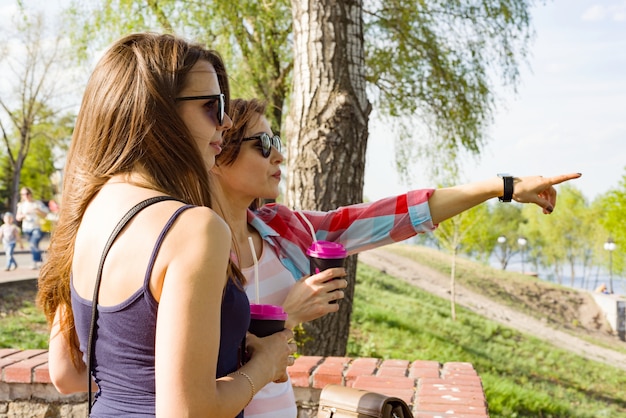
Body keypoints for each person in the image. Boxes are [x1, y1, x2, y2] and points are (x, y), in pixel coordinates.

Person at [209, 97, 582, 418]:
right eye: (263, 143)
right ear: (219, 153)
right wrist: (290, 315)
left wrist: (503, 187)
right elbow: (199, 367)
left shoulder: (286, 229)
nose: (280, 154)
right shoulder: (195, 248)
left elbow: (394, 216)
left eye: (276, 140)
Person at [37, 33, 295, 417]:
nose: (225, 122)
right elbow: (188, 413)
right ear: (156, 111)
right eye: (211, 105)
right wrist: (265, 365)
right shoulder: (194, 229)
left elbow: (67, 372)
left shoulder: (86, 212)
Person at [15, 186, 49, 269]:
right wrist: (22, 216)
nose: (25, 196)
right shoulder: (21, 205)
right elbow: (17, 217)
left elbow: (46, 214)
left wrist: (38, 211)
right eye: (23, 194)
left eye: (27, 193)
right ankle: (39, 261)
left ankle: (36, 261)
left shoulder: (37, 203)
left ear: (30, 194)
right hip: (26, 228)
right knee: (33, 245)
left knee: (33, 243)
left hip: (37, 227)